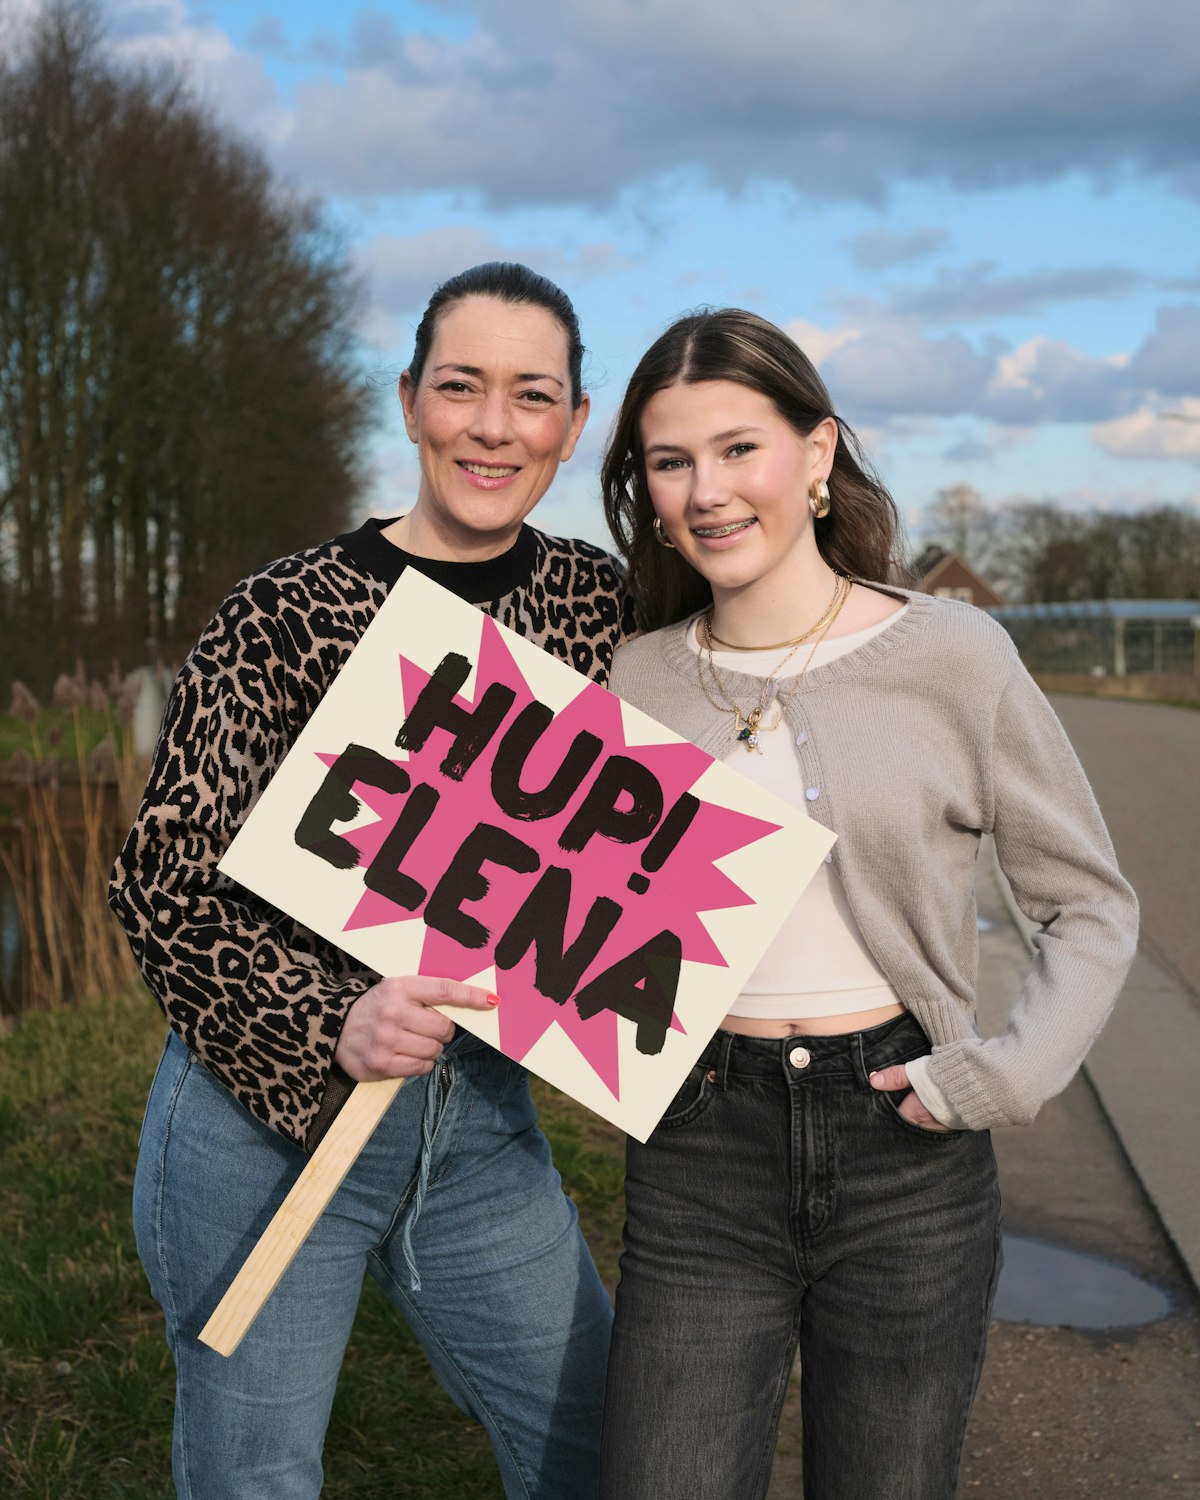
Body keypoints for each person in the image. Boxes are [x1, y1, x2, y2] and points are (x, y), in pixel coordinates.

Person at [110, 262, 635, 1500]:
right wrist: (327, 1017)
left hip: (479, 1128)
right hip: (264, 1131)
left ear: (573, 423)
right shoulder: (281, 614)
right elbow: (161, 881)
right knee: (256, 1477)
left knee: (603, 1448)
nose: (493, 426)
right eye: (460, 386)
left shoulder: (601, 609)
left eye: (531, 395)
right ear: (408, 402)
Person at [595, 308, 1138, 1500]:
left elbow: (1089, 905)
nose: (707, 491)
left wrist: (1003, 1075)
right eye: (671, 461)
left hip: (908, 1151)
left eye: (739, 448)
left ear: (819, 450)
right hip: (698, 1153)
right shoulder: (629, 682)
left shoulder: (954, 655)